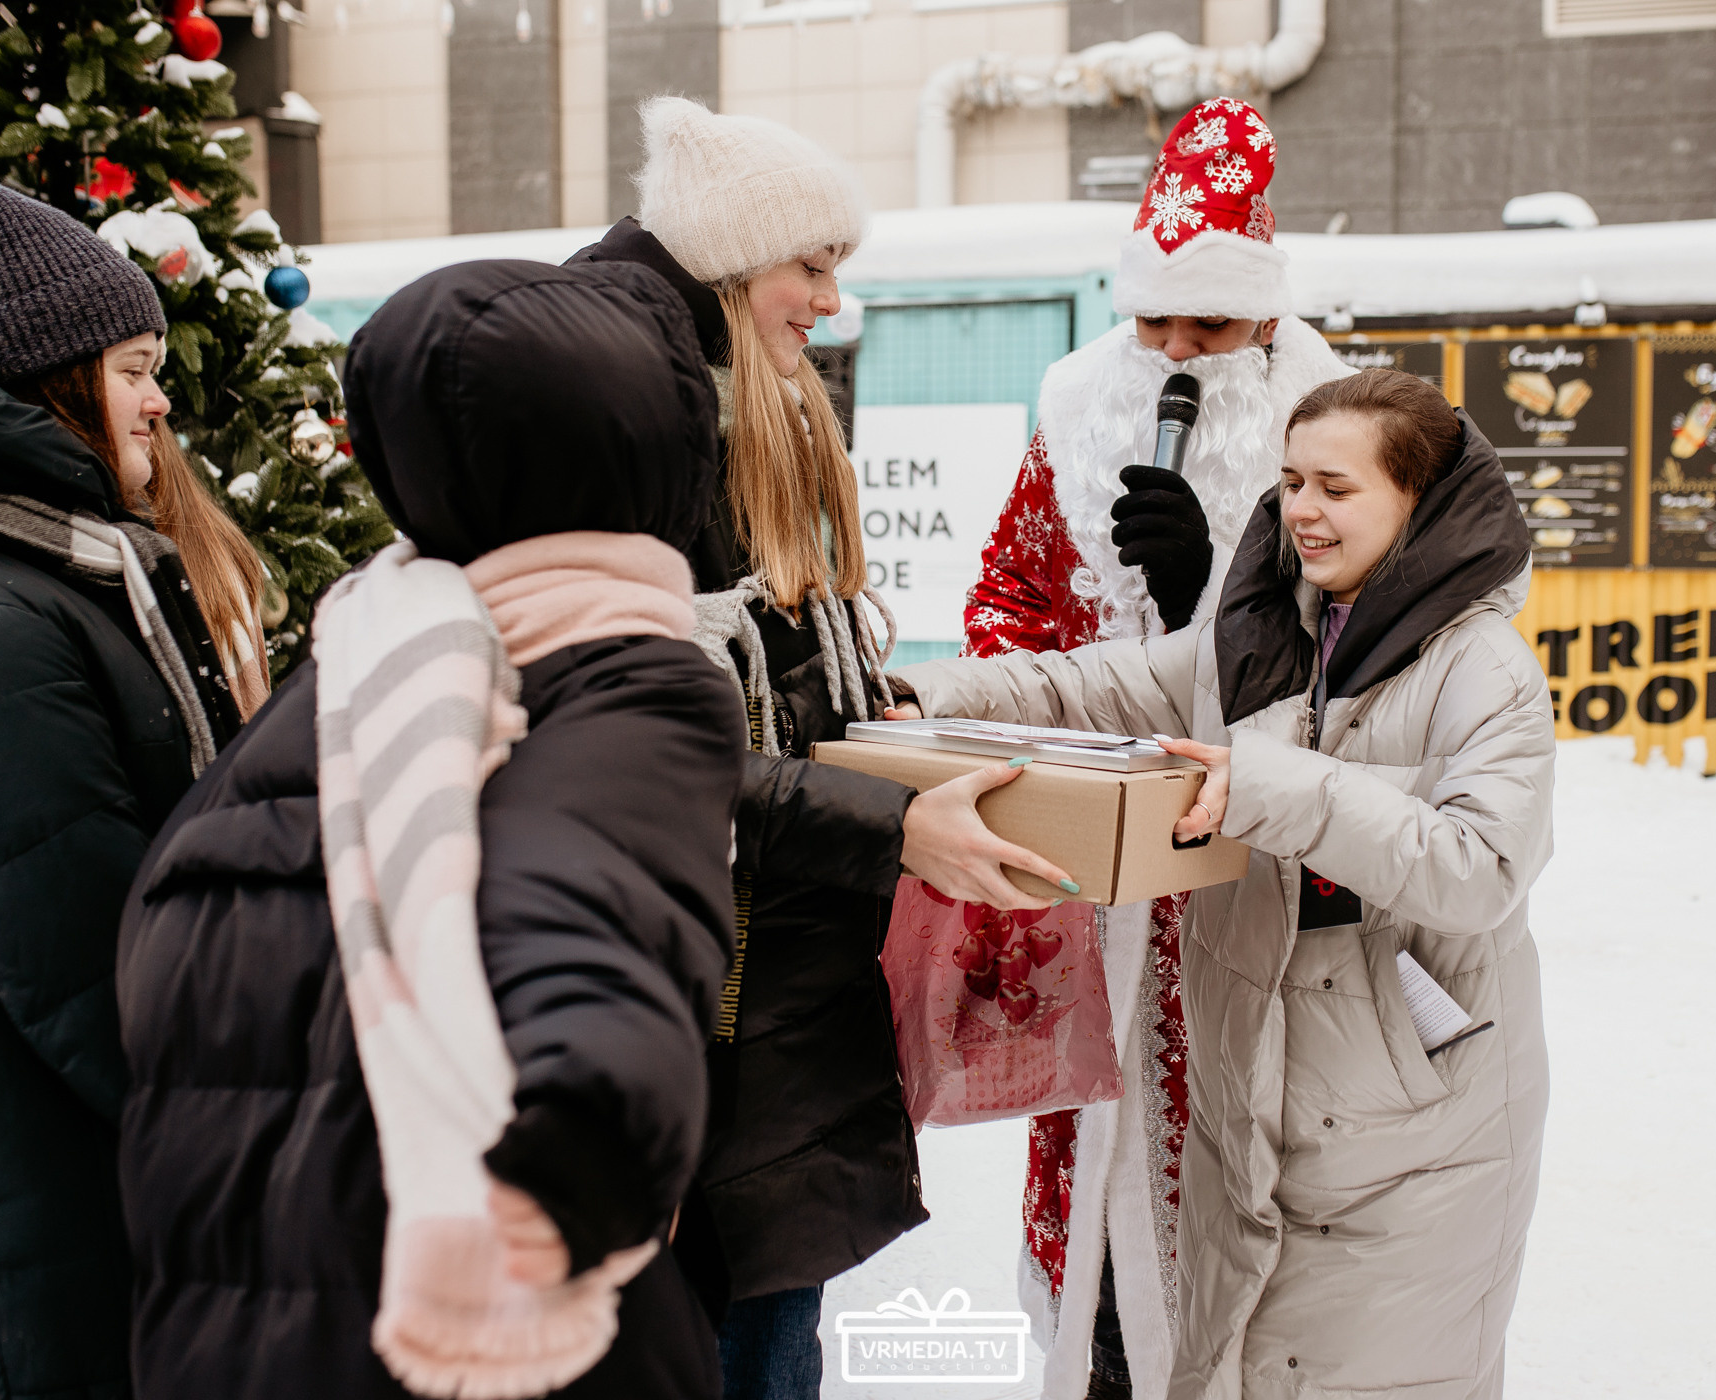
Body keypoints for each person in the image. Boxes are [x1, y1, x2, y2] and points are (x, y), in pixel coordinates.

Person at [115, 259, 748, 1399]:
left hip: (225, 1337)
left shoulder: (354, 675)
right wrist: (598, 1104)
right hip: (468, 1326)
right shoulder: (624, 669)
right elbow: (588, 878)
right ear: (664, 455)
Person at [889, 369, 1553, 1400]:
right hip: (1249, 1098)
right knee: (1232, 1359)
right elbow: (1088, 682)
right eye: (1290, 481)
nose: (1302, 510)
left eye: (1337, 486)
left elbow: (1482, 868)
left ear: (1417, 506)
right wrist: (924, 691)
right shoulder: (1261, 629)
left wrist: (1270, 783)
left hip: (1410, 1125)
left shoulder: (1481, 664)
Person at [571, 96, 1073, 1399]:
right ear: (735, 261)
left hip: (774, 1008)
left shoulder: (750, 405)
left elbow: (752, 691)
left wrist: (869, 726)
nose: (832, 303)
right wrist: (888, 819)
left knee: (767, 1336)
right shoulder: (644, 425)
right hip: (706, 1016)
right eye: (812, 265)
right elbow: (630, 752)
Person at [956, 98, 1351, 1400]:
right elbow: (1003, 602)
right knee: (1108, 1199)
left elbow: (1385, 680)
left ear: (1269, 325)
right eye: (1155, 324)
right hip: (1103, 894)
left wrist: (1216, 603)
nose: (1178, 352)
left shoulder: (1346, 447)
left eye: (1214, 326)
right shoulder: (1074, 411)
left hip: (1269, 908)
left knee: (1255, 1206)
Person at [0, 168, 260, 1399]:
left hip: (67, 1225)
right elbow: (98, 967)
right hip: (16, 1264)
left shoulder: (41, 577)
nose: (162, 399)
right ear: (52, 379)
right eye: (135, 365)